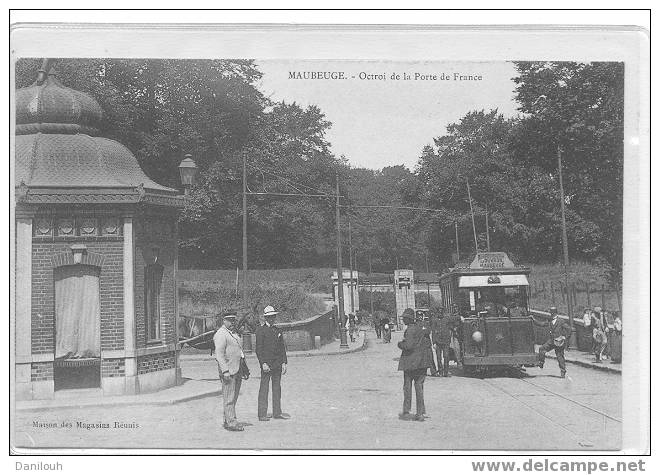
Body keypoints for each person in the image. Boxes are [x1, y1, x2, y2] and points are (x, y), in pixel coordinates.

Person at [397, 308, 433, 421]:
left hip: (410, 363)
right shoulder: (420, 328)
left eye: (404, 318)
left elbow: (408, 346)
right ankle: (420, 413)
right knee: (419, 387)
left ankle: (407, 411)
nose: (403, 320)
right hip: (422, 362)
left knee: (407, 386)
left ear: (408, 319)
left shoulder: (410, 330)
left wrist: (400, 344)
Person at [255, 305, 289, 421]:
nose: (272, 319)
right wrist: (263, 363)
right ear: (265, 318)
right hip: (266, 365)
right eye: (269, 317)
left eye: (273, 316)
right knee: (264, 389)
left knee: (276, 388)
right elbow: (259, 349)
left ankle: (277, 412)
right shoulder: (260, 331)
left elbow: (282, 348)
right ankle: (262, 414)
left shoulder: (277, 330)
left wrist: (284, 362)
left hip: (277, 364)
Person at [213, 311, 246, 431]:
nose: (232, 323)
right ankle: (231, 422)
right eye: (230, 320)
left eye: (234, 320)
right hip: (229, 371)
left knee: (233, 396)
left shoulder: (232, 333)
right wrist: (225, 371)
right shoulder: (221, 334)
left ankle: (228, 419)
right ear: (224, 321)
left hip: (237, 369)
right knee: (229, 397)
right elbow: (219, 355)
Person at [536, 306, 572, 378]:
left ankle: (563, 372)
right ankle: (541, 363)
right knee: (541, 349)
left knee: (560, 357)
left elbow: (569, 329)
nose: (551, 314)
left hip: (559, 342)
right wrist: (533, 319)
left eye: (552, 313)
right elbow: (542, 324)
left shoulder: (561, 321)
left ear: (555, 313)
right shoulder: (549, 320)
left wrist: (565, 337)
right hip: (551, 341)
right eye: (551, 313)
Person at [432, 307, 462, 377]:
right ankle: (440, 372)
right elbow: (433, 331)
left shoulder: (446, 319)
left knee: (446, 357)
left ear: (443, 313)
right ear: (437, 313)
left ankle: (446, 372)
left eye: (441, 312)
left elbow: (453, 318)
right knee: (438, 358)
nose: (440, 313)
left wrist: (460, 317)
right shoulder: (435, 320)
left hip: (446, 342)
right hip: (438, 342)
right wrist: (434, 342)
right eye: (439, 312)